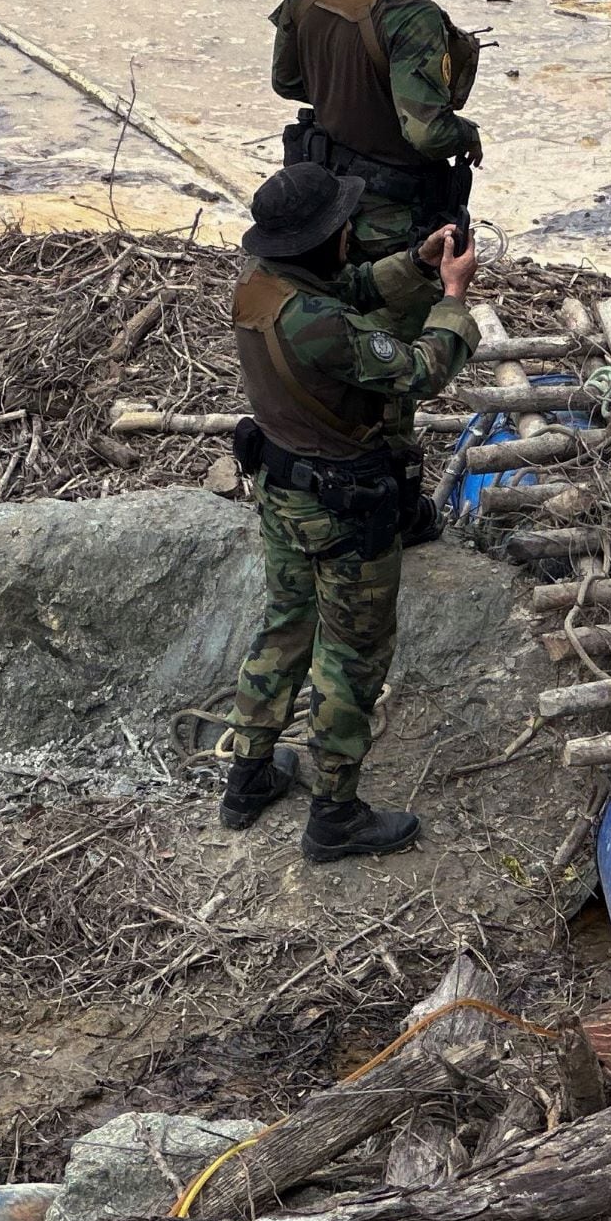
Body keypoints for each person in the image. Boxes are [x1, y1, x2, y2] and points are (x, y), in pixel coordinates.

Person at [220, 161, 479, 860]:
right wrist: (452, 298)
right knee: (351, 657)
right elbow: (422, 367)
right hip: (343, 507)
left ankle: (247, 775)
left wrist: (415, 266)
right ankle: (335, 815)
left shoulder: (259, 285)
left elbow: (346, 289)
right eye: (344, 226)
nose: (351, 233)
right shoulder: (321, 325)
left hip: (283, 491)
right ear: (327, 237)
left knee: (285, 624)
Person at [269, 0, 486, 532]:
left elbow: (288, 83)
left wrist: (346, 99)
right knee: (392, 360)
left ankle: (324, 467)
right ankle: (389, 504)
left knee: (327, 339)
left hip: (322, 202)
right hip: (392, 214)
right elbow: (425, 133)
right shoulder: (410, 14)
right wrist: (465, 124)